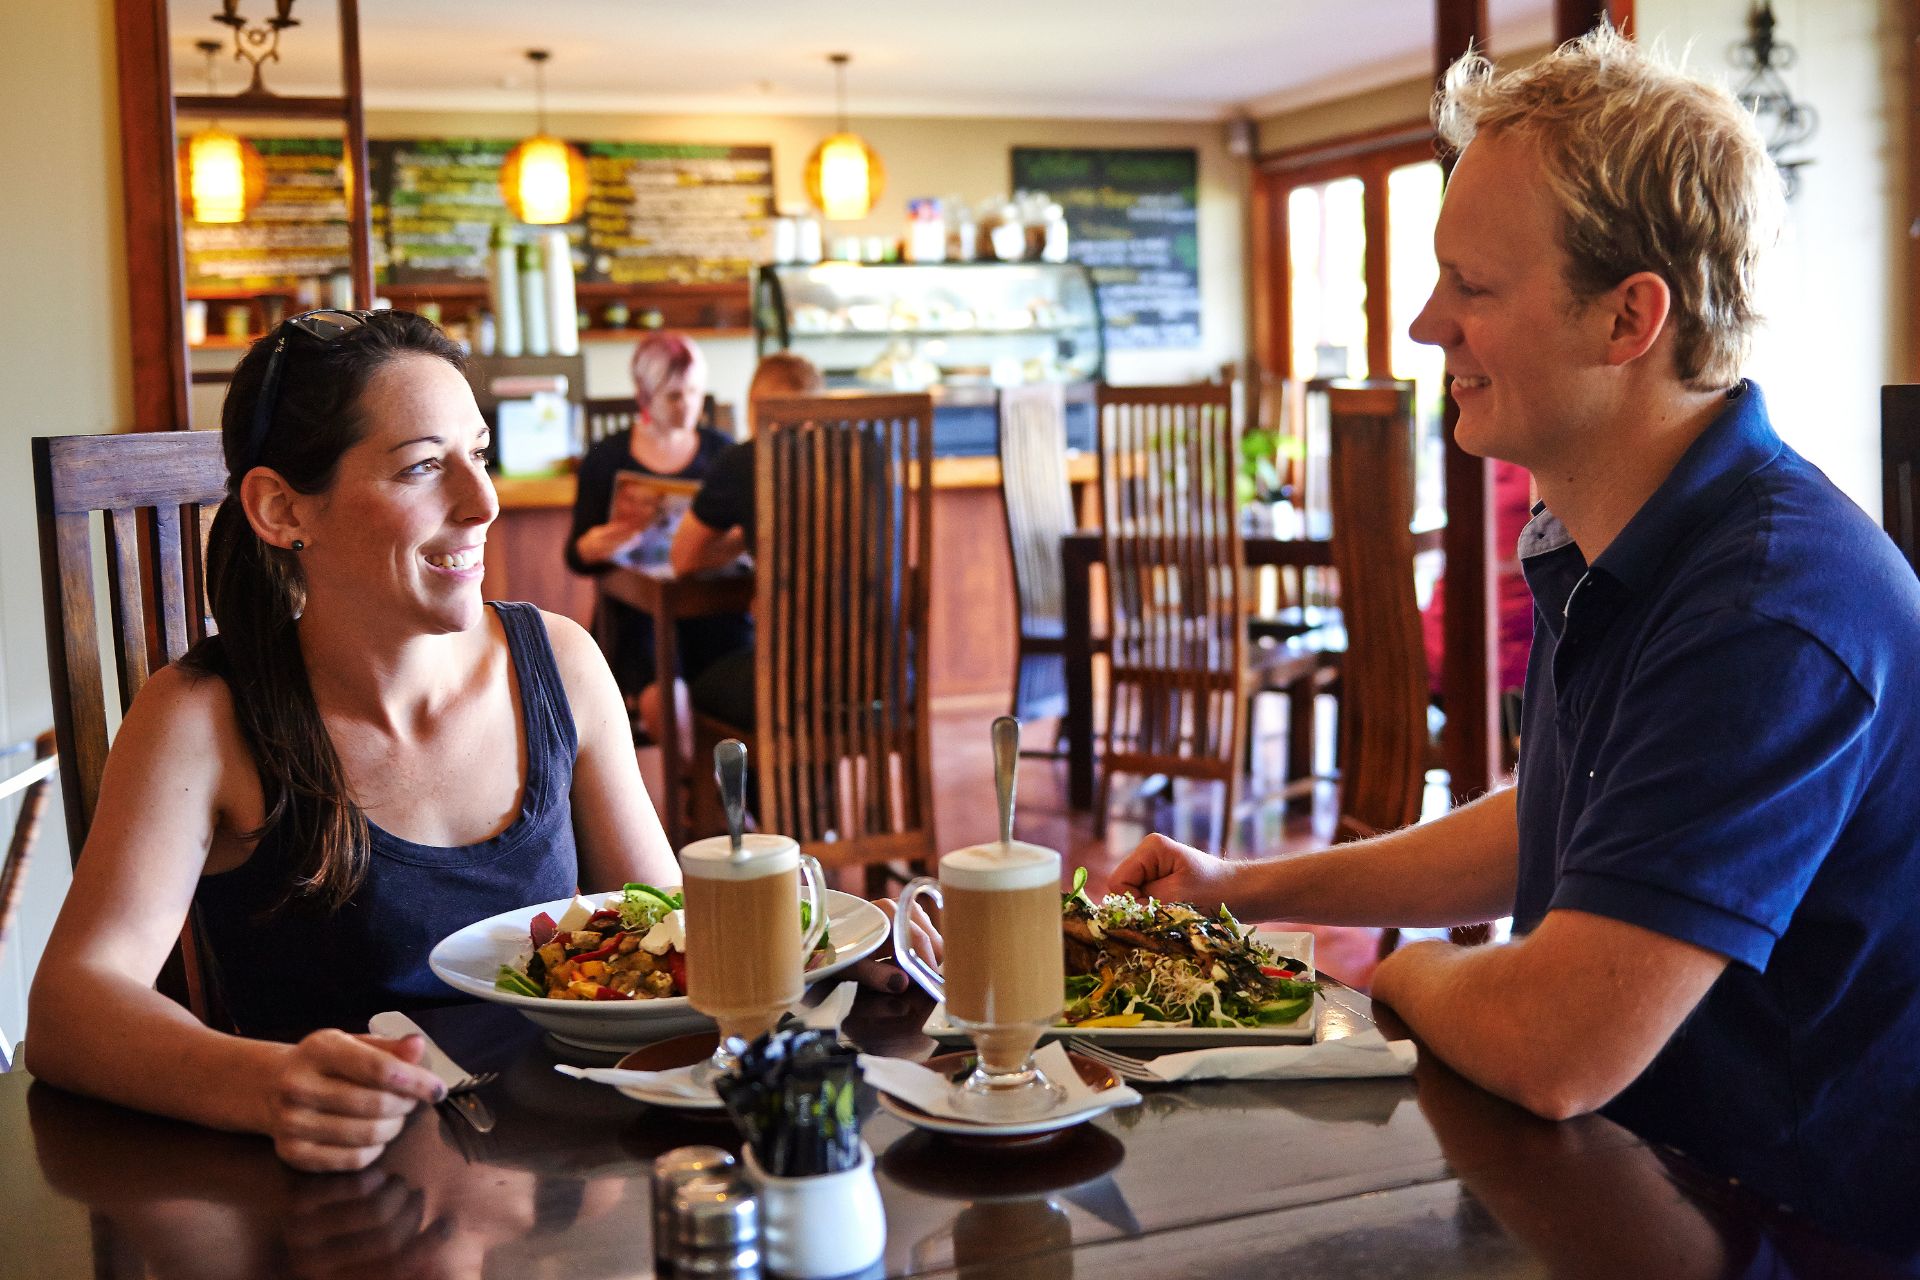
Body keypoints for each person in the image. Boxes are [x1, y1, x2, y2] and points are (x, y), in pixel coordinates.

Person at [1114, 27, 1920, 1257]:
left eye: (1471, 287)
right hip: (1634, 1178)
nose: (1426, 324)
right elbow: (1556, 818)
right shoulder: (1611, 532)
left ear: (1627, 319)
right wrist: (1243, 891)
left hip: (1768, 1230)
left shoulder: (1772, 607)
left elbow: (1557, 1047)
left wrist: (1390, 972)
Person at [24, 311, 933, 1175]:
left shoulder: (561, 664)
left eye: (481, 456)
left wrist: (824, 950)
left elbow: (669, 921)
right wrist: (265, 1086)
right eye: (422, 467)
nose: (484, 501)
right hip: (349, 1203)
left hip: (573, 1173)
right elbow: (71, 1009)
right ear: (280, 509)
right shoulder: (204, 719)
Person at [565, 333, 748, 751]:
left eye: (696, 394)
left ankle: (724, 802)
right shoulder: (608, 457)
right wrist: (604, 541)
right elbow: (577, 554)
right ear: (644, 395)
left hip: (711, 606)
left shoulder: (723, 453)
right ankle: (697, 796)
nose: (687, 407)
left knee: (742, 671)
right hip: (638, 611)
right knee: (666, 694)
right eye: (674, 396)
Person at [668, 352, 826, 730]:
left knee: (705, 687)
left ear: (755, 406)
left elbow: (684, 558)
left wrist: (742, 540)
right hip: (885, 677)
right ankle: (811, 790)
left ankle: (723, 789)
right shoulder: (871, 454)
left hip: (794, 685)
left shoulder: (747, 458)